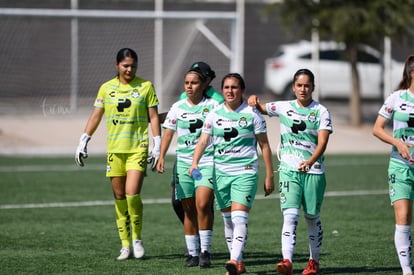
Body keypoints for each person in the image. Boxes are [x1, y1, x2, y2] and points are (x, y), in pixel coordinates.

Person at [75, 48, 161, 261]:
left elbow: (153, 116)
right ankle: (125, 245)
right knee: (119, 196)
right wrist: (83, 140)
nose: (129, 69)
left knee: (132, 194)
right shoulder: (106, 88)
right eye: (125, 65)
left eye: (133, 65)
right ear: (117, 66)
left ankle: (137, 239)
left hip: (137, 148)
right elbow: (96, 116)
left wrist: (156, 144)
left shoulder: (146, 86)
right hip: (114, 150)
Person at [248, 68, 332, 275]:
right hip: (288, 170)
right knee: (290, 216)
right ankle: (287, 261)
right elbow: (260, 107)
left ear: (313, 87)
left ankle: (314, 262)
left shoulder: (321, 111)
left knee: (312, 218)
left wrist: (310, 161)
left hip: (314, 172)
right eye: (299, 85)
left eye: (307, 85)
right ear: (293, 87)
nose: (303, 89)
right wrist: (252, 100)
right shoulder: (283, 107)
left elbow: (323, 142)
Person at [190, 73, 275, 275]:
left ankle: (233, 261)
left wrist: (269, 174)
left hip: (245, 171)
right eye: (226, 87)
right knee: (227, 219)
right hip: (220, 173)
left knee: (239, 218)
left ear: (242, 90)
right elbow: (203, 141)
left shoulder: (252, 114)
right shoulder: (214, 114)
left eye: (234, 87)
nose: (230, 91)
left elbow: (264, 145)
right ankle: (239, 263)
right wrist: (194, 162)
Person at [156, 65, 222, 268]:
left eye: (194, 83)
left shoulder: (213, 106)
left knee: (203, 205)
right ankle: (192, 254)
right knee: (188, 209)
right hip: (183, 163)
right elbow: (168, 132)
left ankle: (205, 251)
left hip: (206, 161)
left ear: (203, 85)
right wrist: (161, 156)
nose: (190, 87)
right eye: (187, 83)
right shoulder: (177, 107)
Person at [372, 55, 414, 275]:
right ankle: (407, 271)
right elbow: (377, 128)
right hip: (400, 166)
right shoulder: (397, 98)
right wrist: (397, 142)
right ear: (413, 74)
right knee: (403, 217)